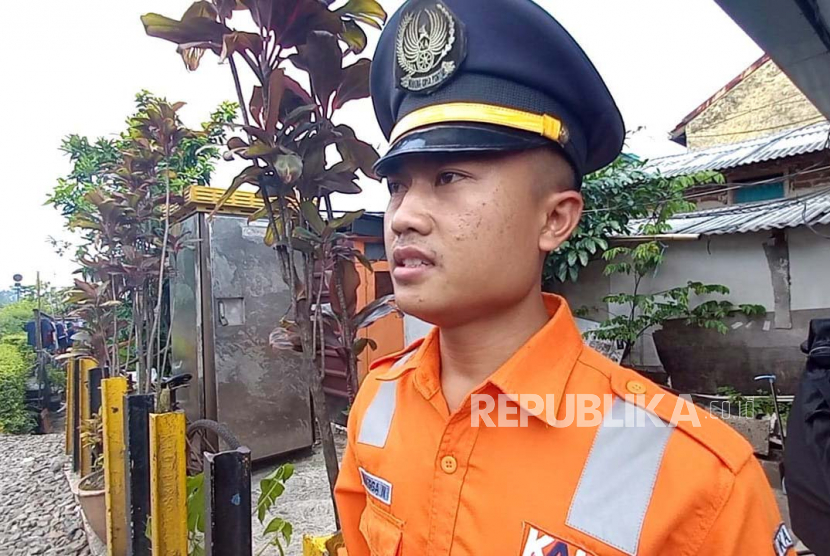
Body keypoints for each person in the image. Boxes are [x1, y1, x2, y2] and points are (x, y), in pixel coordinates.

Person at [333, 0, 794, 555]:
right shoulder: (377, 403)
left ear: (555, 219)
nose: (404, 214)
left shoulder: (699, 476)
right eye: (397, 186)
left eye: (450, 176)